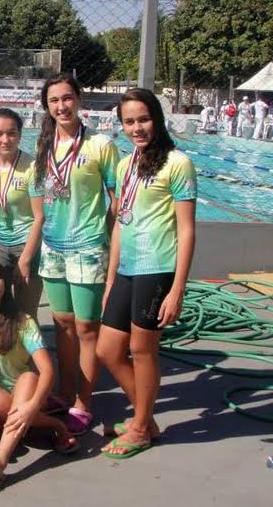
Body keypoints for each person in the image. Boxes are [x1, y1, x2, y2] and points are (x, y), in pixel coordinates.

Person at [96, 88, 196, 459]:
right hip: (127, 268)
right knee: (108, 350)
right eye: (129, 122)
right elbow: (120, 224)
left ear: (157, 118)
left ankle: (140, 428)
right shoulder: (125, 165)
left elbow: (186, 229)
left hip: (158, 268)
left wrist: (177, 290)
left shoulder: (178, 163)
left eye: (143, 119)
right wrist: (110, 279)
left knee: (142, 350)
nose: (137, 128)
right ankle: (145, 418)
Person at [27, 72, 118, 435]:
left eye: (67, 98)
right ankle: (65, 391)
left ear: (79, 99)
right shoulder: (43, 145)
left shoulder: (100, 145)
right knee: (62, 323)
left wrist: (105, 237)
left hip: (88, 247)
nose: (61, 106)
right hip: (53, 248)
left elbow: (115, 199)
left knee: (86, 327)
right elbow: (40, 200)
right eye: (54, 100)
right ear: (46, 106)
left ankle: (84, 400)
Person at [0, 257, 78, 499]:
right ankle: (54, 425)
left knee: (29, 377)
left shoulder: (22, 321)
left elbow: (47, 370)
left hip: (24, 396)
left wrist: (32, 406)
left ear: (5, 283)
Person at [0, 108, 44, 319]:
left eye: (11, 133)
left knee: (26, 314)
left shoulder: (33, 167)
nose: (5, 140)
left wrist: (25, 260)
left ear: (19, 135)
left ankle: (28, 344)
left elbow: (40, 217)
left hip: (27, 245)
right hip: (0, 245)